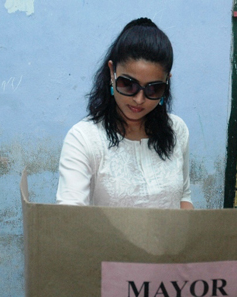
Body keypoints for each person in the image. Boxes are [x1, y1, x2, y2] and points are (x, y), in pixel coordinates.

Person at [56, 18, 194, 209]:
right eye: (128, 84)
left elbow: (184, 198)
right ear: (112, 72)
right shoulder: (83, 138)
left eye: (153, 89)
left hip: (172, 240)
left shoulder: (177, 130)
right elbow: (69, 215)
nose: (139, 99)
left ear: (167, 83)